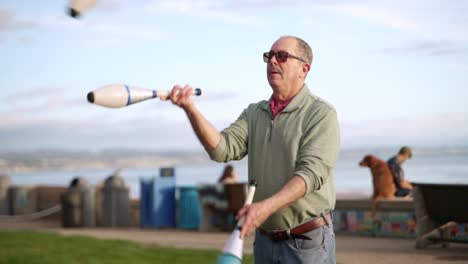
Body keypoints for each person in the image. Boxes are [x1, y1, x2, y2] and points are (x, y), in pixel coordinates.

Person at [169, 36, 340, 263]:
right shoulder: (254, 113)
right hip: (265, 242)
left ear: (304, 69)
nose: (272, 62)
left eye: (282, 56)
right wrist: (190, 109)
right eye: (269, 56)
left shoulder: (321, 114)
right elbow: (221, 149)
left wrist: (264, 208)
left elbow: (310, 174)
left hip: (307, 243)